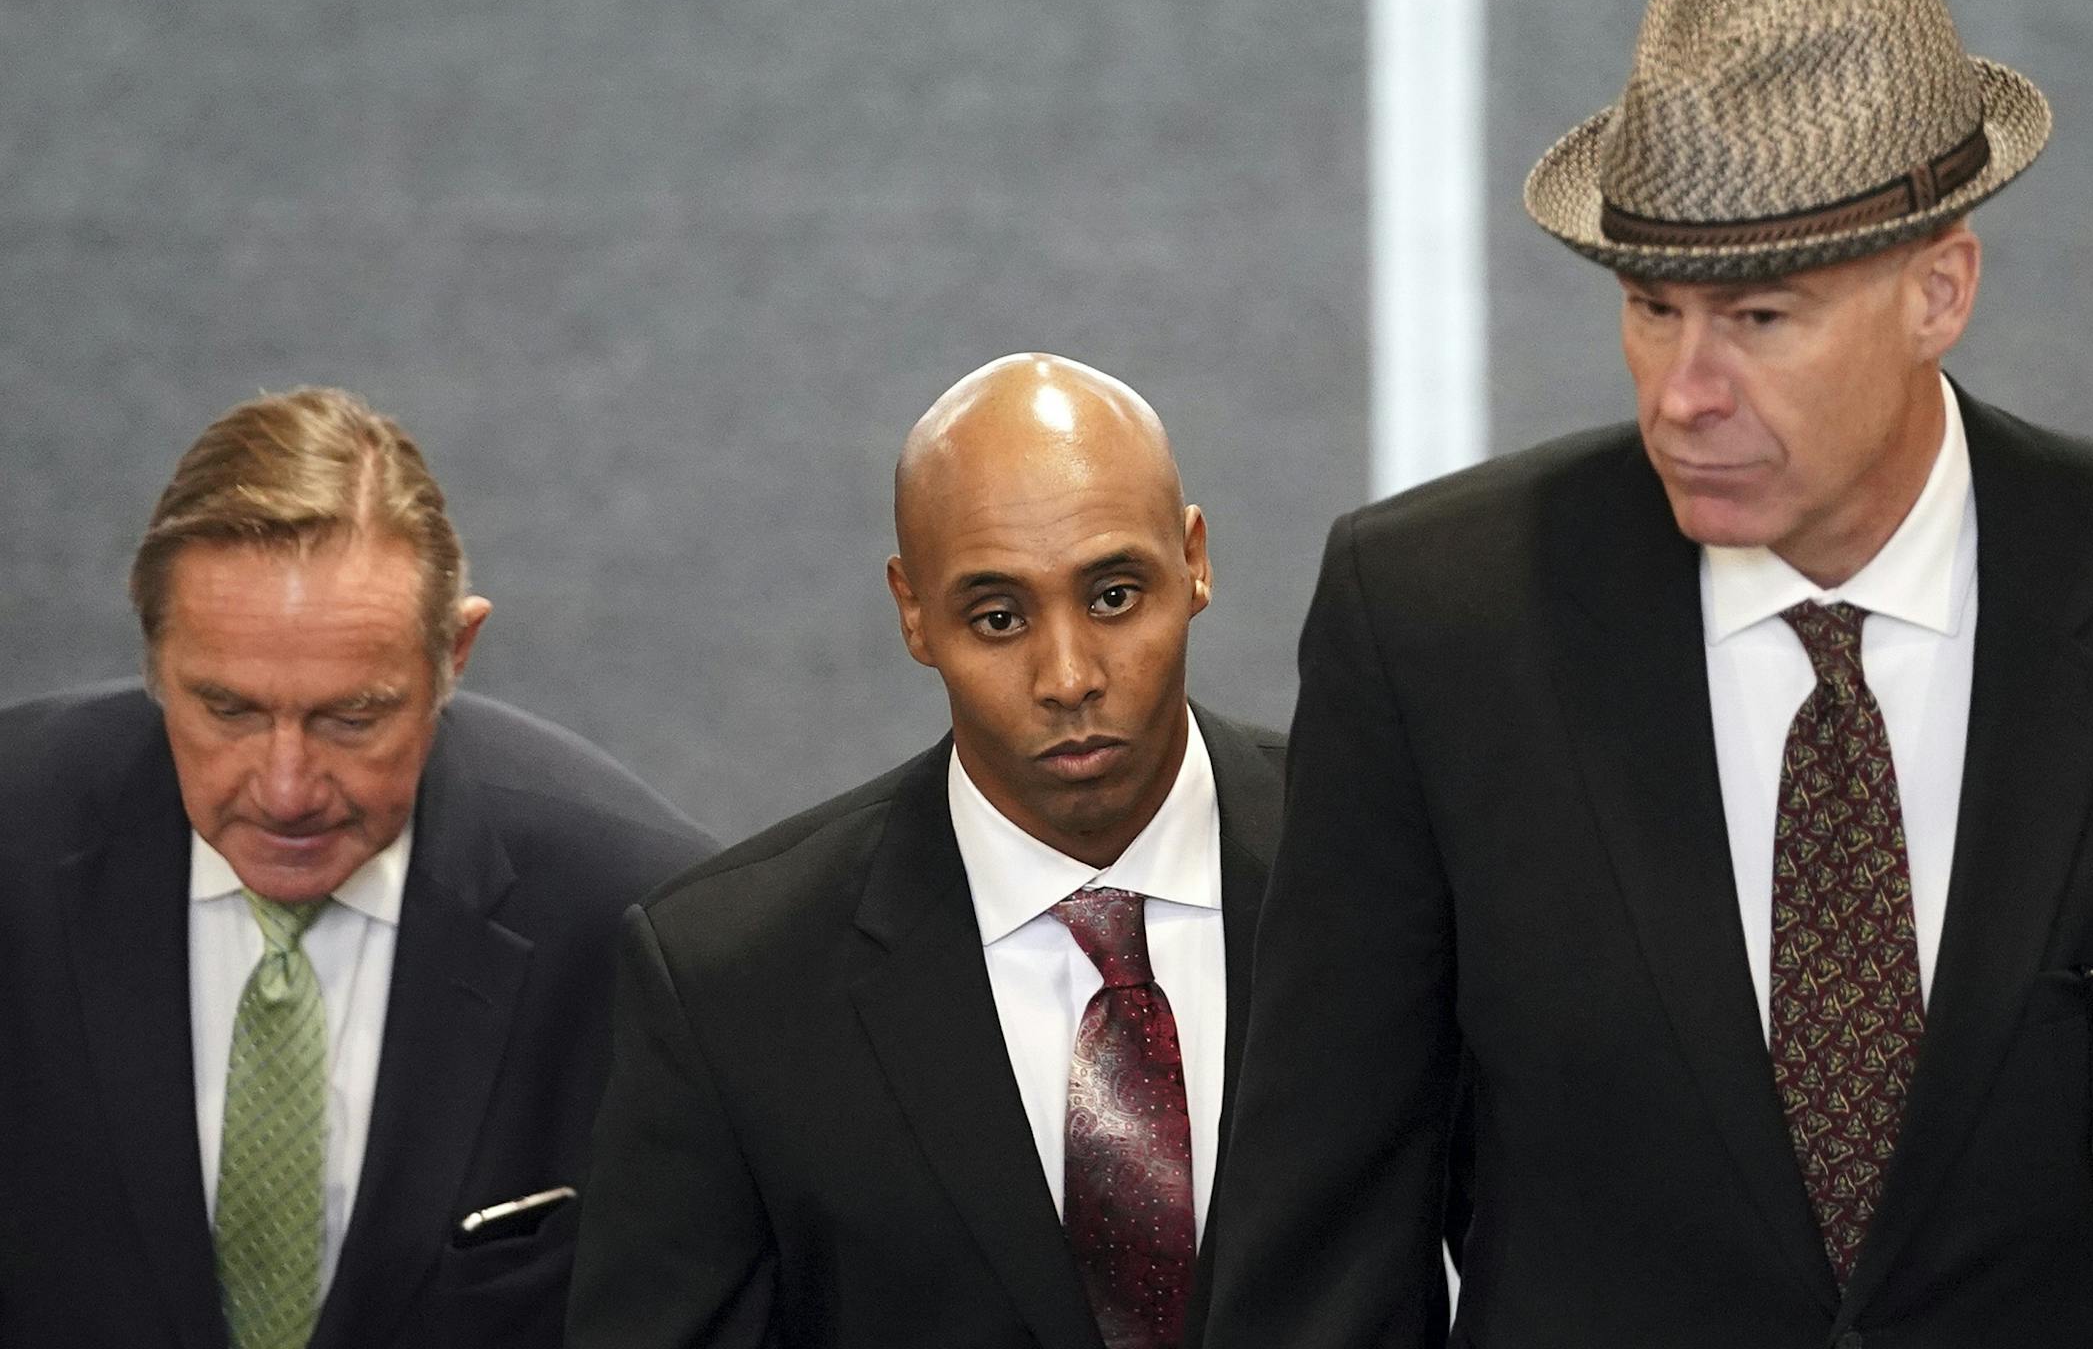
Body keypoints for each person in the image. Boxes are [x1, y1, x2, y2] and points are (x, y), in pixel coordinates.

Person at [1204, 0, 2093, 1349]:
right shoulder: (1431, 625)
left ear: (1938, 292)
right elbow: (1327, 1223)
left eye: (1759, 318)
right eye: (1653, 310)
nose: (1684, 395)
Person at [566, 353, 1285, 1349]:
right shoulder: (730, 984)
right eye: (998, 618)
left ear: (1195, 558)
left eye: (1114, 596)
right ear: (913, 611)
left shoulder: (1393, 870)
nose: (1069, 676)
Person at [0, 387, 718, 1349]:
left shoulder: (641, 922)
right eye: (229, 711)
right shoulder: (15, 846)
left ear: (454, 653)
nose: (287, 788)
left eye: (353, 718)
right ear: (154, 659)